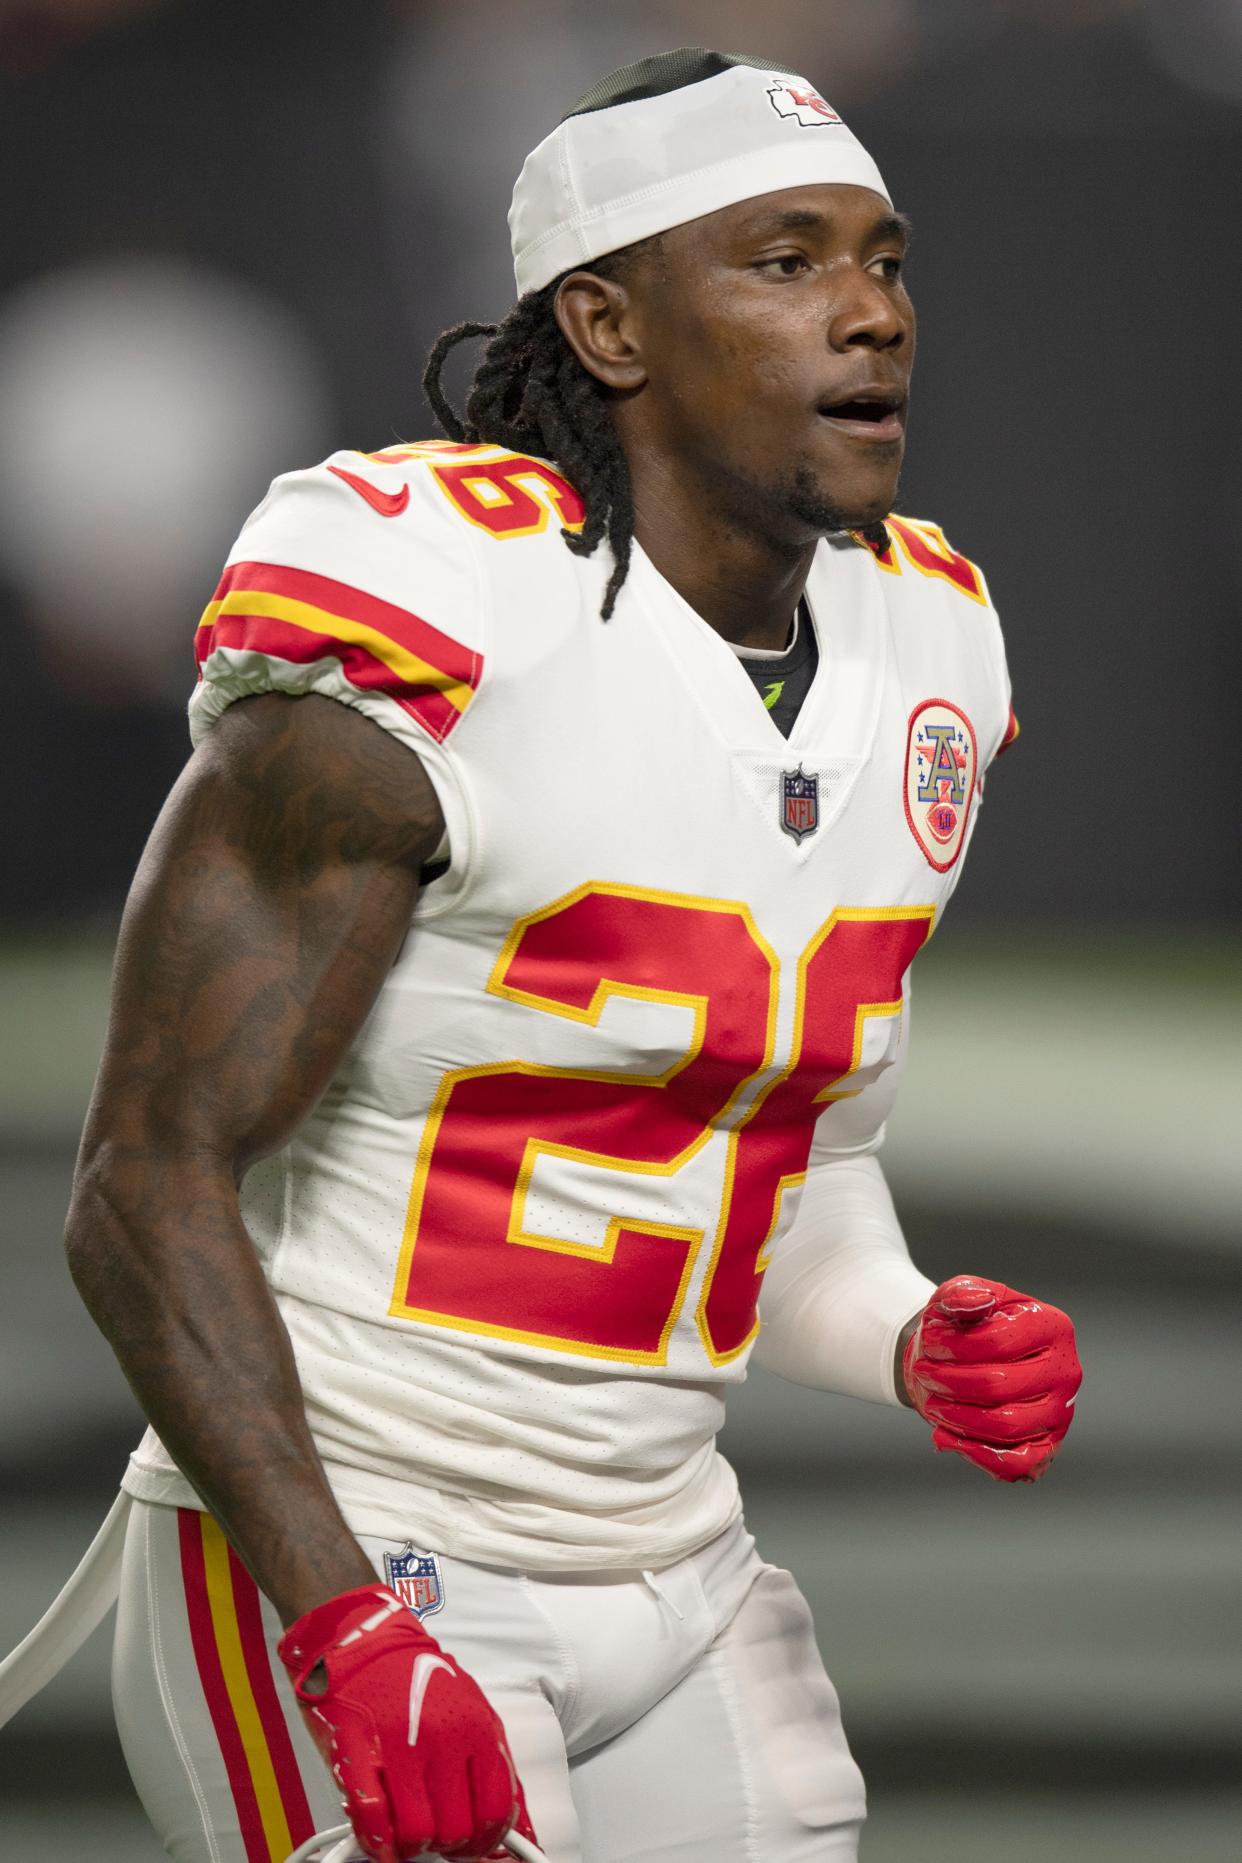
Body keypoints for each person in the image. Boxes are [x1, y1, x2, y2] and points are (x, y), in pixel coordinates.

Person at [40, 46, 1081, 1863]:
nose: (868, 314)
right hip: (345, 1537)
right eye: (782, 260)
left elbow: (778, 1174)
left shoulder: (925, 642)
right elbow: (145, 1180)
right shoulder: (443, 621)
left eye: (884, 259)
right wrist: (344, 1614)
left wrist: (906, 1330)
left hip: (674, 1558)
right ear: (607, 326)